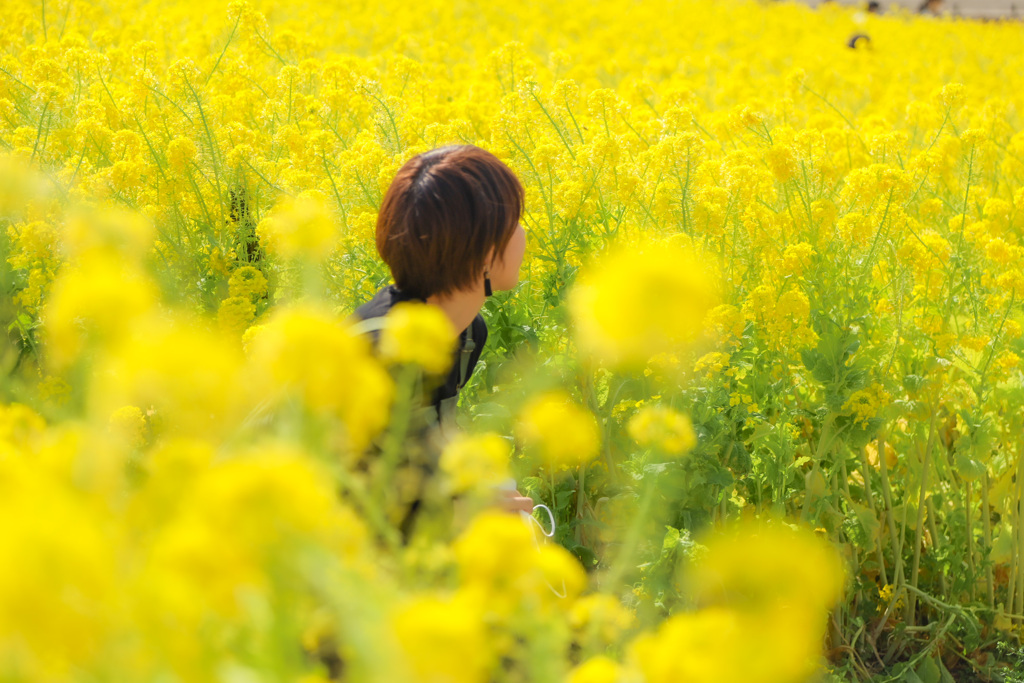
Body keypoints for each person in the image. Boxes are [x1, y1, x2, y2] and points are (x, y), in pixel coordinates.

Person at [352, 144, 533, 520]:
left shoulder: (466, 335)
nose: (523, 232)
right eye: (514, 222)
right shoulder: (378, 350)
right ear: (483, 252)